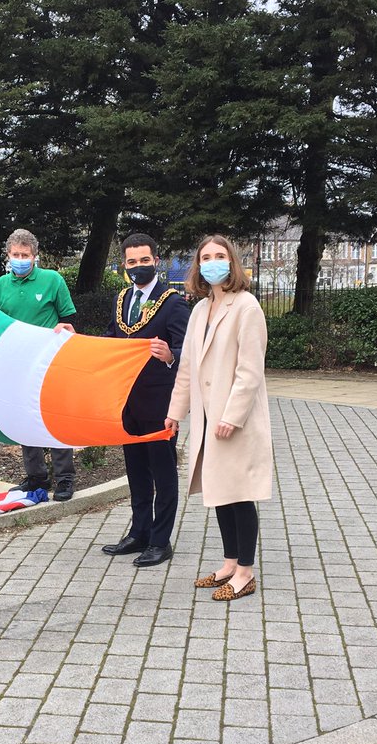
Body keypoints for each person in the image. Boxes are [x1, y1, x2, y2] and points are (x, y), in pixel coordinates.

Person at [165, 233, 272, 601]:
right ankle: (229, 564)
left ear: (232, 261)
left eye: (219, 255)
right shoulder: (199, 310)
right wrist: (175, 412)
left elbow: (250, 371)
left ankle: (246, 572)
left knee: (240, 494)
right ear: (198, 265)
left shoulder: (247, 307)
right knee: (221, 493)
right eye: (206, 257)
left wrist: (233, 415)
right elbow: (187, 367)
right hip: (208, 419)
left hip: (234, 421)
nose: (212, 262)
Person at [101, 233, 190, 568]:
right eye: (132, 261)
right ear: (124, 264)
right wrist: (76, 340)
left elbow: (189, 349)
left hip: (161, 403)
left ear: (156, 261)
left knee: (163, 473)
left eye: (144, 260)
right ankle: (139, 532)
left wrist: (171, 354)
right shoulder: (122, 299)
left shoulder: (173, 302)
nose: (138, 266)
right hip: (129, 401)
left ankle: (160, 540)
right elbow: (111, 341)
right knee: (136, 471)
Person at [0, 228, 78, 501]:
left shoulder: (52, 280)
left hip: (49, 362)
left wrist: (66, 334)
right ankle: (36, 477)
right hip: (17, 362)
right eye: (16, 255)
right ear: (8, 255)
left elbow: (68, 319)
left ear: (35, 255)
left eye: (25, 255)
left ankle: (65, 478)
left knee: (55, 418)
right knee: (25, 418)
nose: (20, 259)